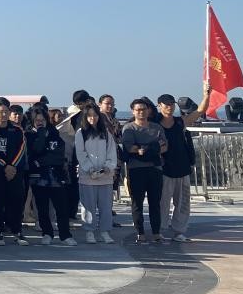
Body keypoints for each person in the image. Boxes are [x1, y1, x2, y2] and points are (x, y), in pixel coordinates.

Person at [158, 86, 211, 242]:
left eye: (172, 104)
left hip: (182, 168)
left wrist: (206, 95)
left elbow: (199, 111)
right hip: (164, 169)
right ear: (159, 106)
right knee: (162, 202)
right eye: (166, 104)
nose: (170, 107)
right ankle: (159, 230)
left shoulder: (180, 122)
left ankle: (179, 231)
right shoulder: (155, 124)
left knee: (182, 203)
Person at [26, 107, 75, 245]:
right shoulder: (29, 135)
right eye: (37, 120)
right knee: (42, 208)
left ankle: (65, 235)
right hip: (38, 178)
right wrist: (41, 135)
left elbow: (58, 155)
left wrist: (40, 161)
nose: (40, 122)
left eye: (42, 120)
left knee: (61, 207)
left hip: (56, 177)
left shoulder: (54, 133)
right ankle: (47, 233)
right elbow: (34, 152)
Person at [121, 99, 167, 244]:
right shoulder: (129, 128)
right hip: (136, 169)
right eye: (138, 109)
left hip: (155, 169)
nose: (141, 112)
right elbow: (130, 148)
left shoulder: (156, 127)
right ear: (133, 111)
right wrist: (151, 147)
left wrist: (144, 148)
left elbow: (164, 146)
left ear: (148, 110)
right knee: (137, 203)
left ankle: (156, 232)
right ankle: (140, 232)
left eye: (144, 109)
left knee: (155, 202)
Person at [0, 101, 29, 245]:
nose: (4, 114)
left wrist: (12, 167)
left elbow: (21, 149)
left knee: (16, 202)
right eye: (1, 112)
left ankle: (17, 231)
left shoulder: (17, 129)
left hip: (15, 172)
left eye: (6, 111)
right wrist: (4, 166)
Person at [74, 103, 117, 243]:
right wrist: (90, 168)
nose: (92, 118)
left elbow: (112, 152)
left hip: (105, 176)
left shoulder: (106, 133)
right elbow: (81, 154)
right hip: (88, 176)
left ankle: (105, 231)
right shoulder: (81, 133)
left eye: (95, 115)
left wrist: (108, 167)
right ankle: (89, 231)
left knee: (106, 206)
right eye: (89, 116)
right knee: (88, 206)